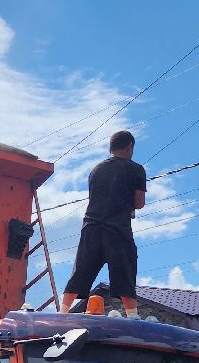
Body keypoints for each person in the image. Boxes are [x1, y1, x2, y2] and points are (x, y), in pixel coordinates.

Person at [61, 129, 146, 318]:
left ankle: (63, 311)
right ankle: (132, 315)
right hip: (117, 229)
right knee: (125, 268)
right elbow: (139, 203)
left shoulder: (96, 170)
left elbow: (100, 199)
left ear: (111, 147)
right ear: (130, 146)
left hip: (91, 227)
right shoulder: (135, 169)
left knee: (81, 270)